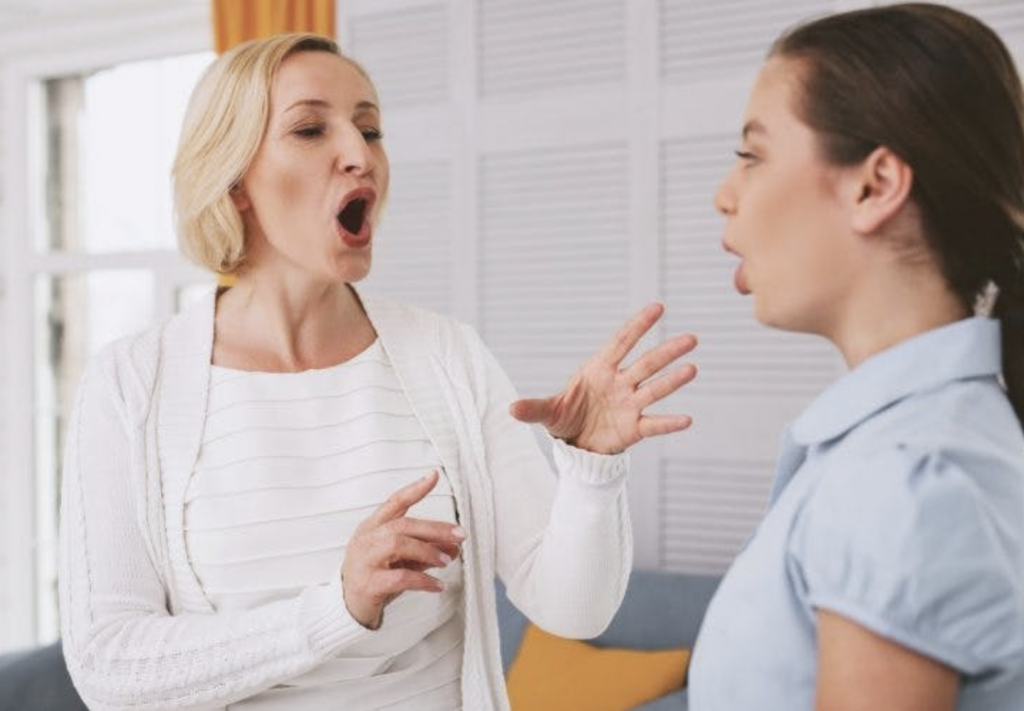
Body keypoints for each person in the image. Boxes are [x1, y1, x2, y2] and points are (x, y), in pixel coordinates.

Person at [57, 34, 698, 711]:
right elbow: (111, 666)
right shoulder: (130, 383)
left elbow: (574, 610)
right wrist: (336, 608)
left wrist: (590, 470)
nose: (360, 154)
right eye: (310, 128)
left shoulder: (448, 356)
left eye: (370, 128)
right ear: (234, 179)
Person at [694, 4, 1024, 709]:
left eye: (752, 155)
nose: (724, 194)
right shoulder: (930, 444)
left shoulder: (903, 475)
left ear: (874, 186)